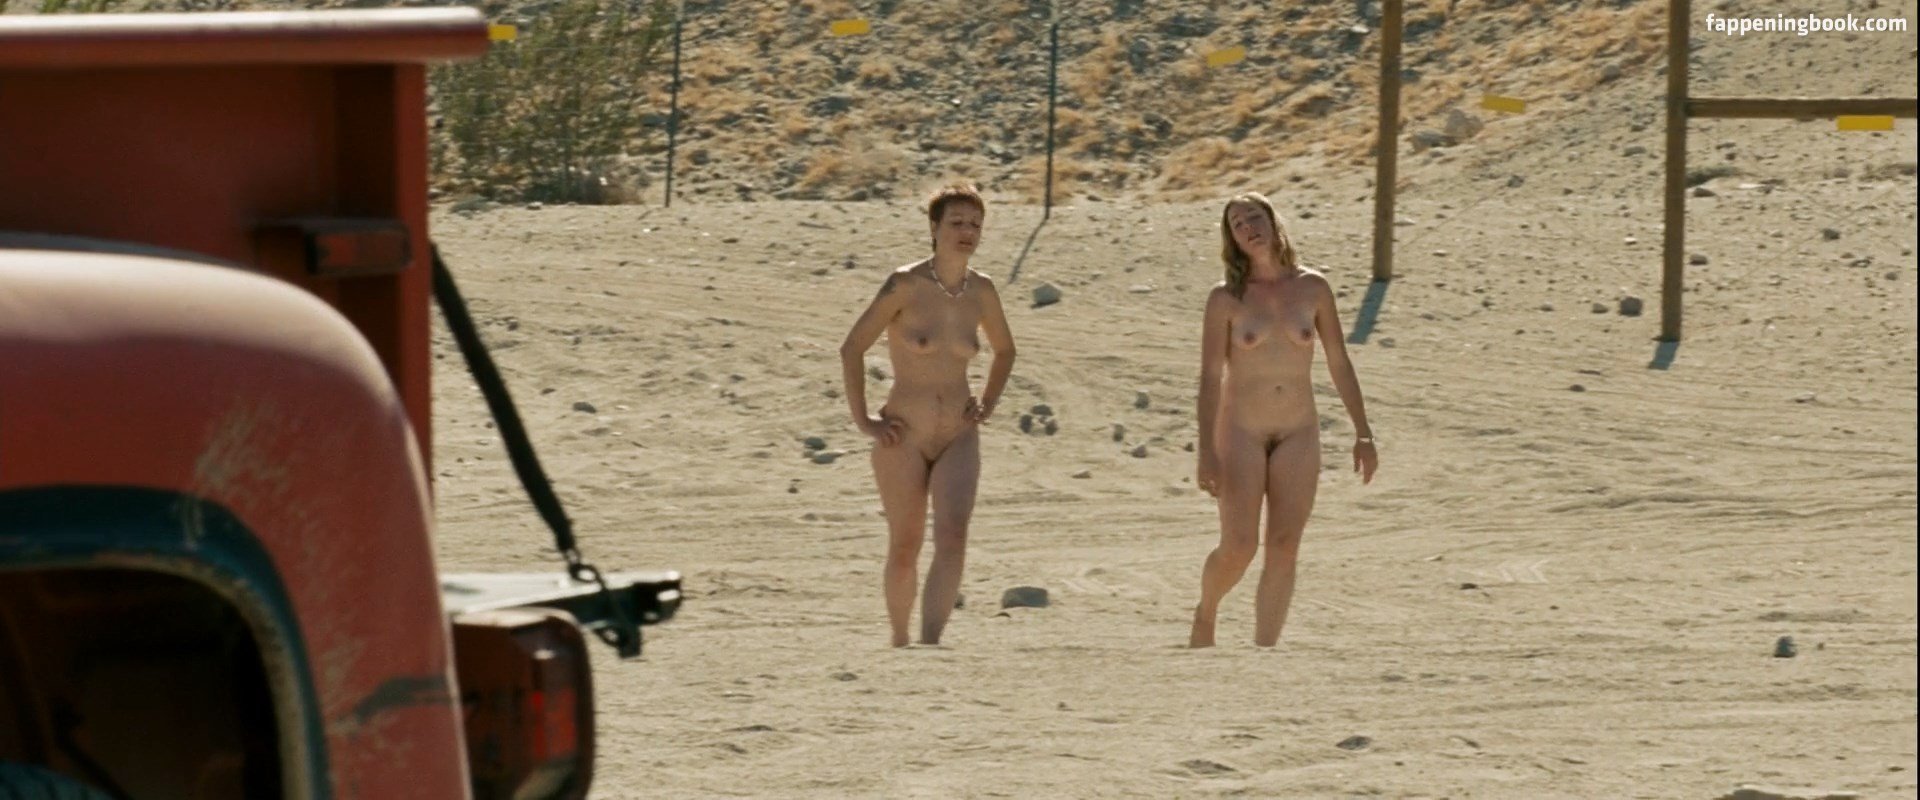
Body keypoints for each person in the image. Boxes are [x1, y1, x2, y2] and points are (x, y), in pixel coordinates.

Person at [1190, 192, 1378, 649]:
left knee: (1285, 544)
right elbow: (1210, 378)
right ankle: (1206, 612)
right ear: (1232, 240)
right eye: (1237, 224)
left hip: (1299, 430)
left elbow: (1339, 361)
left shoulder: (1313, 288)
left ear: (1274, 222)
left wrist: (1363, 432)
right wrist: (1207, 451)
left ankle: (1264, 651)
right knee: (1239, 546)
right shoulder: (1225, 299)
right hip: (1240, 431)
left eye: (1254, 217)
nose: (1248, 227)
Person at [839, 182, 1016, 647]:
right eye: (956, 222)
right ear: (934, 227)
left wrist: (988, 401)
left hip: (959, 433)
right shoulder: (905, 284)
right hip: (903, 435)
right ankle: (900, 640)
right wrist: (865, 421)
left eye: (975, 224)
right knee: (906, 543)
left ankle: (931, 643)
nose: (967, 232)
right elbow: (852, 347)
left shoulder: (982, 290)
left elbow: (1005, 350)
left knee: (954, 534)